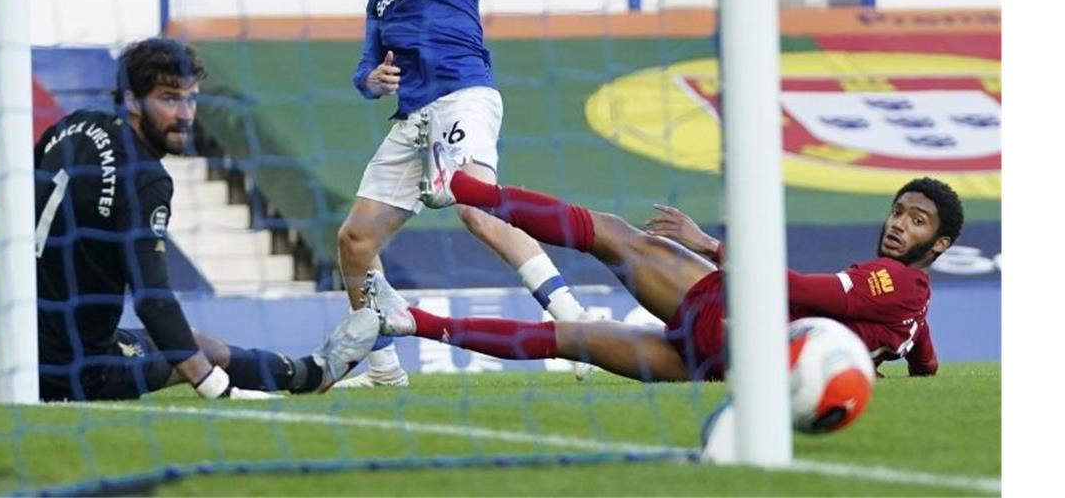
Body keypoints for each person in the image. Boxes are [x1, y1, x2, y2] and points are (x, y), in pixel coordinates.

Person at [335, 0, 616, 387]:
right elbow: (365, 64)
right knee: (354, 242)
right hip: (413, 119)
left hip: (462, 95)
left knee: (476, 205)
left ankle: (575, 324)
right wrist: (369, 82)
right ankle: (383, 369)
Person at [363, 137, 963, 383]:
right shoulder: (911, 303)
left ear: (938, 246)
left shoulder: (895, 282)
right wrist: (924, 371)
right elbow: (916, 340)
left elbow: (807, 291)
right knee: (568, 339)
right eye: (899, 210)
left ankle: (463, 189)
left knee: (614, 235)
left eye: (916, 221)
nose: (897, 224)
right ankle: (412, 322)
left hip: (727, 315)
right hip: (723, 367)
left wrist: (711, 247)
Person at [33, 37, 379, 401]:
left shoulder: (73, 126)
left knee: (196, 341)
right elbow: (152, 299)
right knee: (191, 351)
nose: (185, 114)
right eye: (169, 98)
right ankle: (307, 373)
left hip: (23, 342)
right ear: (132, 99)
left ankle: (310, 372)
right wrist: (215, 388)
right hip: (80, 371)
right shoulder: (145, 177)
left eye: (191, 98)